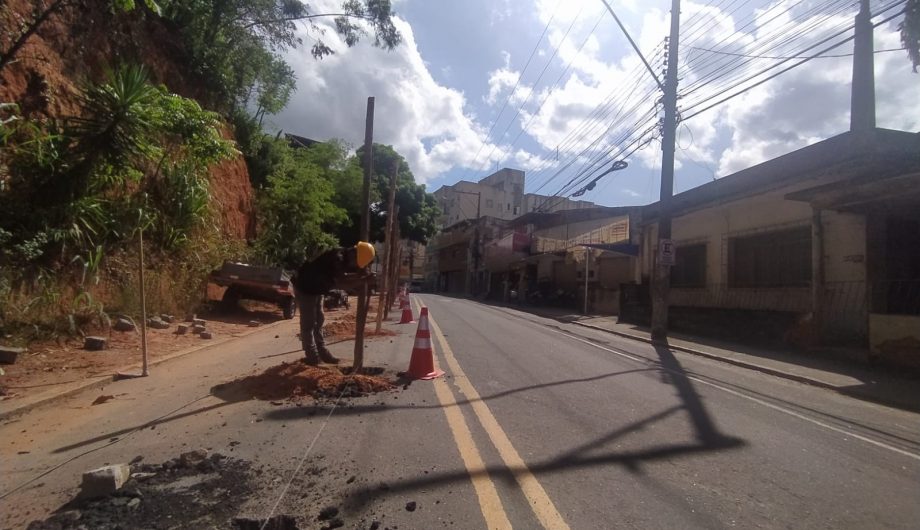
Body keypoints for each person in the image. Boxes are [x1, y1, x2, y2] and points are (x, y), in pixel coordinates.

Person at [292, 242, 375, 365]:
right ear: (354, 254)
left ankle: (322, 351)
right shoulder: (337, 258)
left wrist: (360, 277)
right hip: (305, 287)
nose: (355, 266)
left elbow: (344, 277)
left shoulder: (345, 258)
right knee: (309, 323)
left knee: (319, 320)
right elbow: (341, 283)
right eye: (356, 263)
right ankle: (312, 356)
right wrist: (363, 281)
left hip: (318, 289)